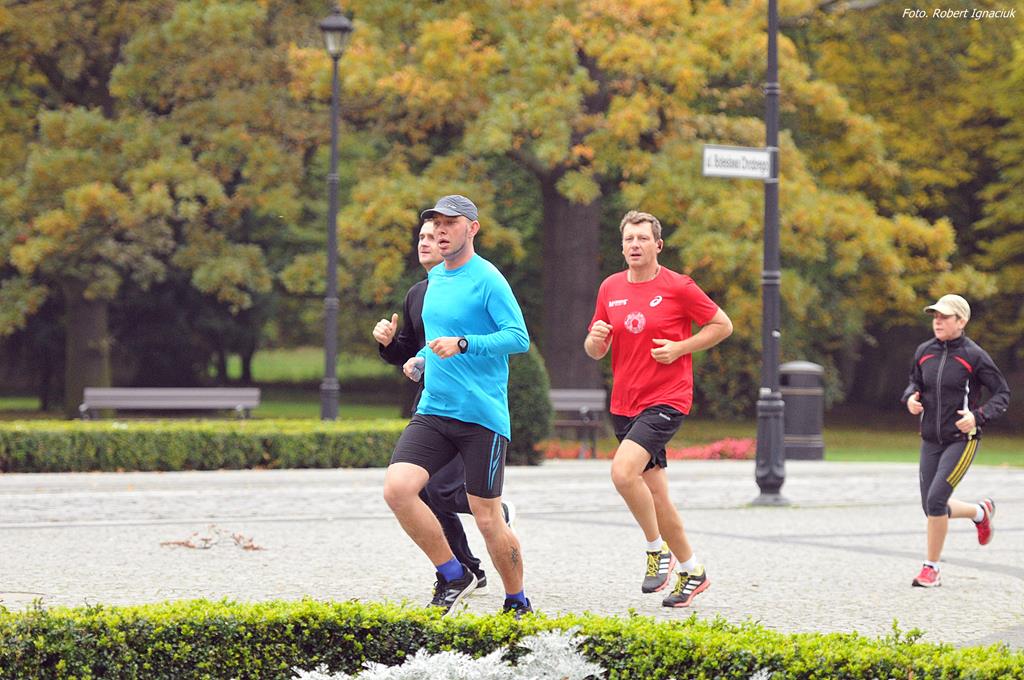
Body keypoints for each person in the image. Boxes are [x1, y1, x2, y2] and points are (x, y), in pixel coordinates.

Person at [381, 194, 532, 618]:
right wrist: (419, 359)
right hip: (434, 410)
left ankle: (517, 601)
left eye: (450, 223)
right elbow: (437, 339)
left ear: (472, 228)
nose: (441, 231)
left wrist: (464, 344)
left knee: (488, 519)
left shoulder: (488, 278)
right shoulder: (434, 283)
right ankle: (453, 574)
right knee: (398, 489)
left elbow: (518, 338)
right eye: (436, 224)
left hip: (481, 416)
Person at [584, 210, 732, 608]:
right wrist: (596, 339)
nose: (635, 245)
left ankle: (656, 549)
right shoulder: (610, 287)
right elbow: (596, 350)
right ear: (622, 247)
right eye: (629, 239)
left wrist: (681, 348)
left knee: (622, 472)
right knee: (657, 496)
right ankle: (693, 570)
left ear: (658, 245)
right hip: (624, 403)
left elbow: (723, 325)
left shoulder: (679, 287)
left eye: (642, 239)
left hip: (667, 398)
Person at [900, 294, 1009, 588]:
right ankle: (979, 512)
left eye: (944, 317)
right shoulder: (924, 351)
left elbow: (1002, 393)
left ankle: (931, 569)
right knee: (931, 507)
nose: (937, 321)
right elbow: (914, 383)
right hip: (930, 439)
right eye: (935, 316)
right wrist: (910, 398)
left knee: (936, 500)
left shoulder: (974, 356)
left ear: (961, 321)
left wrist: (978, 416)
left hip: (963, 439)